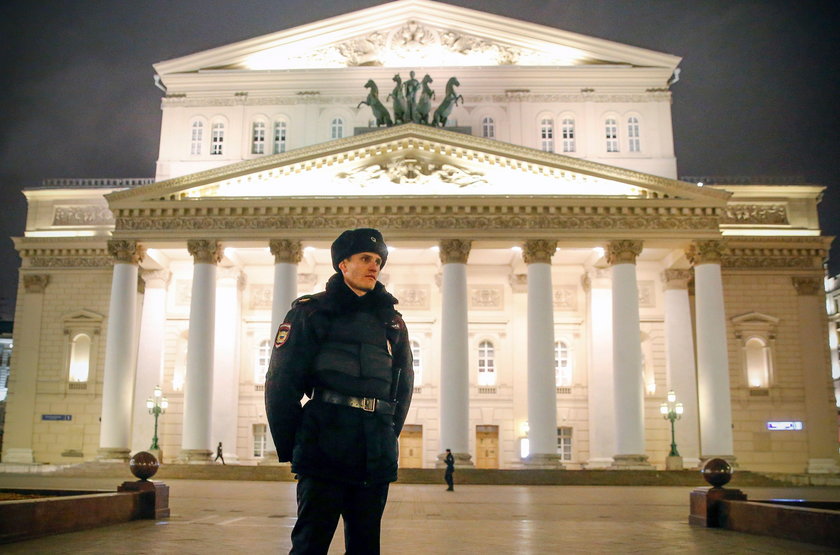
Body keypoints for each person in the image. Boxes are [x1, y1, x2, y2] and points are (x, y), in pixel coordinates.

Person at [265, 228, 414, 555]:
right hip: (324, 445)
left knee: (365, 547)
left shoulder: (392, 321)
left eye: (377, 260)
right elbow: (281, 381)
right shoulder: (311, 312)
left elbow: (403, 386)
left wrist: (388, 433)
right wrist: (296, 445)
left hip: (374, 449)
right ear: (342, 265)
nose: (374, 266)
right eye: (365, 259)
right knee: (310, 544)